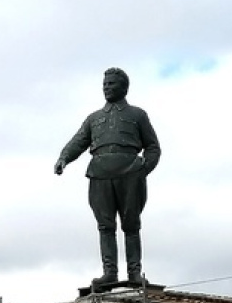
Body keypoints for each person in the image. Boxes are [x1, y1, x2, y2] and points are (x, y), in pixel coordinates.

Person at [55, 67, 161, 290]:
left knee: (131, 225)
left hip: (130, 173)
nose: (107, 87)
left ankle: (134, 272)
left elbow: (153, 146)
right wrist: (64, 158)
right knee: (105, 226)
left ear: (124, 87)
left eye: (111, 84)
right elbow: (78, 141)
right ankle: (109, 272)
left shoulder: (137, 115)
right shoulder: (94, 118)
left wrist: (143, 169)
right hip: (100, 173)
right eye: (105, 84)